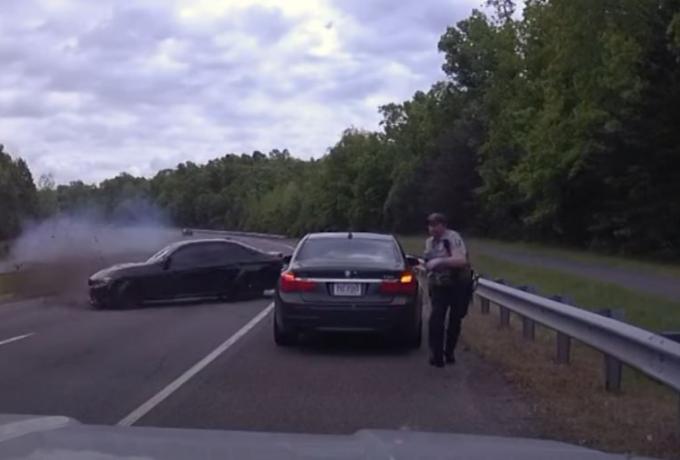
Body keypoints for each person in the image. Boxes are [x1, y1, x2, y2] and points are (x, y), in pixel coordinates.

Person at [423, 213, 472, 368]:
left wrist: (441, 261)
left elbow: (461, 260)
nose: (433, 229)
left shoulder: (452, 238)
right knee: (436, 318)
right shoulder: (430, 242)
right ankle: (436, 354)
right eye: (430, 225)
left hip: (457, 284)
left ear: (444, 225)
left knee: (455, 319)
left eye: (436, 225)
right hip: (439, 284)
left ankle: (449, 352)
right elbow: (427, 261)